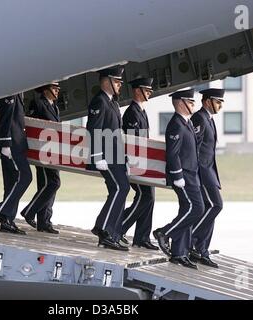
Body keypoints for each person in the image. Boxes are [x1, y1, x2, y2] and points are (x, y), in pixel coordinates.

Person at [152, 89, 204, 269]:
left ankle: (179, 253)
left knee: (187, 210)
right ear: (181, 103)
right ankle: (164, 232)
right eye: (190, 102)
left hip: (192, 174)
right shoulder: (176, 124)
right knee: (196, 208)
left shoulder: (186, 123)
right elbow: (172, 154)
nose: (193, 105)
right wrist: (177, 175)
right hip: (184, 175)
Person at [87, 66, 130, 251]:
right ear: (107, 81)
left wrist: (124, 158)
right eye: (117, 81)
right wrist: (97, 157)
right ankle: (104, 229)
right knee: (121, 187)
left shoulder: (112, 102)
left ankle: (109, 232)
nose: (120, 85)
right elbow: (94, 129)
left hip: (115, 155)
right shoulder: (99, 102)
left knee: (120, 189)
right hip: (106, 156)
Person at [120, 77, 158, 250]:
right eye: (146, 89)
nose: (149, 92)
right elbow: (132, 141)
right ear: (137, 91)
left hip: (143, 161)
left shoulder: (141, 111)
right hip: (135, 162)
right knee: (145, 196)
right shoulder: (132, 113)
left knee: (150, 197)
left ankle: (142, 237)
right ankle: (118, 227)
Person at [189, 88, 225, 268]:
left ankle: (201, 249)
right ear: (207, 101)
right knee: (215, 205)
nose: (220, 105)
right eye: (218, 101)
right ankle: (189, 240)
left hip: (210, 172)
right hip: (202, 173)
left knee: (209, 211)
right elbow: (193, 147)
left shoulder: (208, 119)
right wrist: (196, 173)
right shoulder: (199, 118)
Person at [20, 83, 61, 234]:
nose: (57, 91)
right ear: (46, 89)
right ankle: (29, 211)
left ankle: (44, 221)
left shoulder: (54, 106)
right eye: (55, 88)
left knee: (51, 185)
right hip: (42, 150)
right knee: (51, 183)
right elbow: (32, 124)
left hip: (52, 150)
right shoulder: (37, 103)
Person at [0, 94, 33, 234]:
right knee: (25, 176)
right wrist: (6, 142)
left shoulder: (18, 93)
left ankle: (8, 221)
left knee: (12, 181)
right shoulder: (11, 93)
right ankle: (3, 211)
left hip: (15, 143)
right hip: (12, 144)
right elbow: (6, 116)